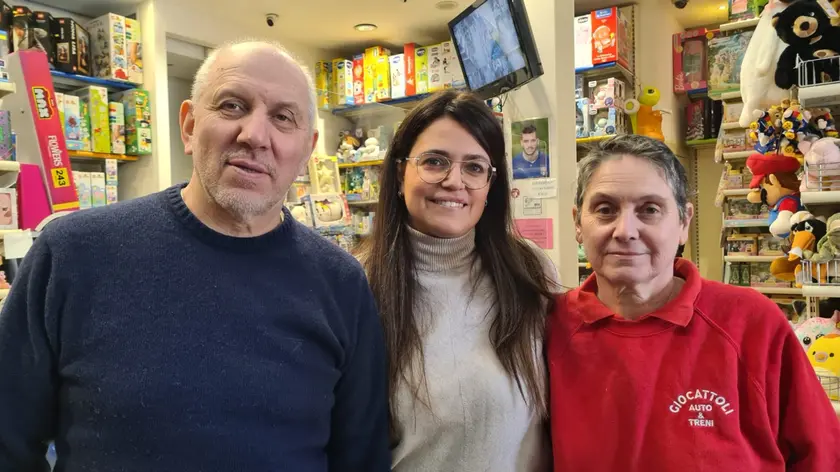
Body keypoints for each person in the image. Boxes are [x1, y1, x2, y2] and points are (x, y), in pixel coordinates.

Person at [0, 40, 390, 471]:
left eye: (283, 118)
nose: (255, 136)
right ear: (188, 126)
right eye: (232, 106)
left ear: (307, 150)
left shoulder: (341, 284)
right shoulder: (74, 255)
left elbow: (361, 459)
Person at [547, 134, 840, 471]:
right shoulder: (547, 328)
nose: (625, 230)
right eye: (605, 209)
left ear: (684, 222)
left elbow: (822, 455)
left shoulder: (751, 322)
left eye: (650, 210)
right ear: (578, 224)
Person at [357, 89, 558, 471]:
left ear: (490, 185)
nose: (455, 181)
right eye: (435, 162)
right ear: (401, 175)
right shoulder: (359, 284)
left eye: (475, 167)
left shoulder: (529, 271)